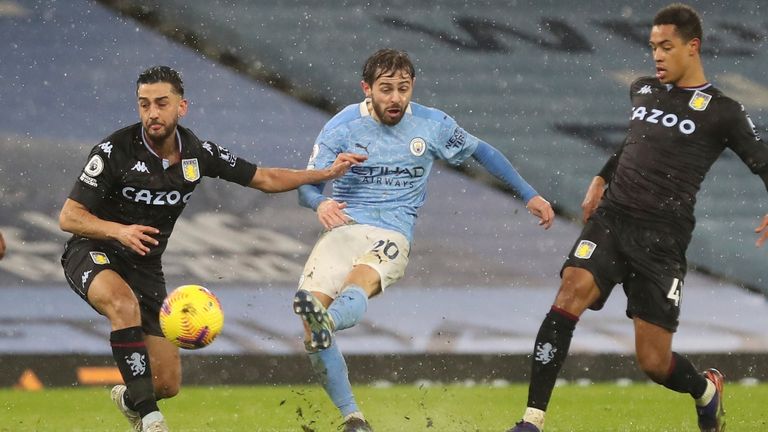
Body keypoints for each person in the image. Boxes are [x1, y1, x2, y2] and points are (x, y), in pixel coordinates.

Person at [58, 65, 364, 432]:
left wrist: (324, 174)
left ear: (181, 107)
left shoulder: (198, 153)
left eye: (161, 103)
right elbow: (70, 216)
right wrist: (118, 231)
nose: (152, 113)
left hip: (144, 264)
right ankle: (151, 420)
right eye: (144, 105)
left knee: (167, 384)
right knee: (124, 305)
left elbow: (264, 178)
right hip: (93, 248)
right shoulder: (114, 151)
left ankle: (130, 398)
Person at [508, 4, 768, 432]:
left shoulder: (724, 111)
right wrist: (601, 176)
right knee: (570, 290)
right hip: (614, 219)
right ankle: (531, 421)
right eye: (653, 48)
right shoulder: (643, 90)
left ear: (693, 47)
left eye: (667, 47)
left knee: (653, 361)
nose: (657, 56)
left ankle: (706, 390)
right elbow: (637, 142)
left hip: (662, 239)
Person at [292, 48, 555, 432]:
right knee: (310, 331)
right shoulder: (341, 126)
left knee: (358, 284)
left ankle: (327, 322)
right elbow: (306, 187)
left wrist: (529, 193)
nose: (395, 98)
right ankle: (354, 419)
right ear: (366, 89)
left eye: (403, 88)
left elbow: (483, 151)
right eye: (386, 89)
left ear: (412, 86)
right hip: (343, 228)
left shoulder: (432, 125)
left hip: (393, 232)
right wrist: (319, 203)